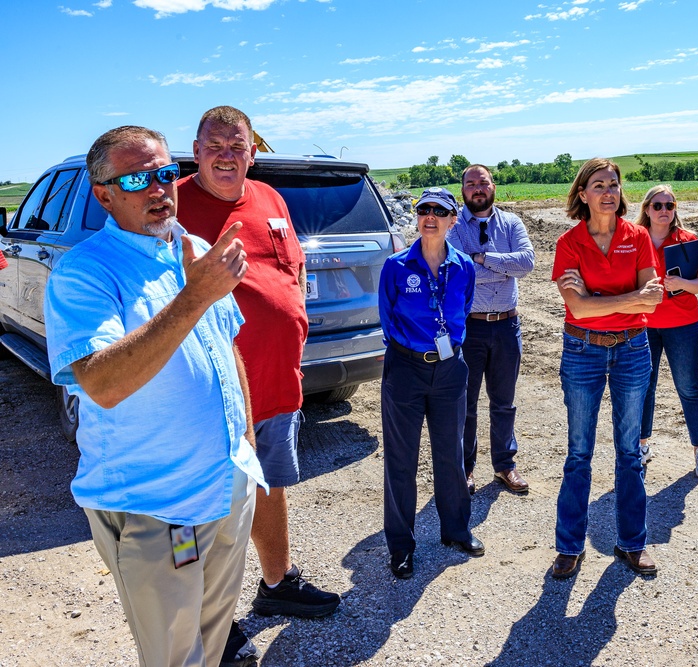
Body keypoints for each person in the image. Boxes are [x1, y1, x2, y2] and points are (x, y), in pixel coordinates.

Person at [43, 125, 267, 667]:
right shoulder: (85, 272)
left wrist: (247, 442)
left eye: (166, 173)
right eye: (138, 178)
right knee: (172, 654)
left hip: (227, 484)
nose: (159, 188)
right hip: (159, 503)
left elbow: (226, 345)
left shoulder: (190, 249)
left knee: (213, 639)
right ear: (104, 195)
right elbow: (103, 382)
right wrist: (195, 295)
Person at [176, 106, 341, 664]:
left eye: (238, 145)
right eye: (215, 144)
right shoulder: (170, 206)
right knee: (205, 510)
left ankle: (276, 585)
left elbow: (289, 270)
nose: (227, 154)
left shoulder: (270, 198)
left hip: (274, 383)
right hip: (211, 395)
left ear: (253, 150)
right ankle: (209, 626)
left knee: (269, 484)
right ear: (195, 150)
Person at [550, 158, 664, 579]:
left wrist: (602, 301)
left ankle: (632, 543)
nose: (608, 192)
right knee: (579, 452)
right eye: (599, 185)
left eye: (613, 184)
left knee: (629, 452)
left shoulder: (637, 236)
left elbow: (652, 301)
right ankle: (569, 546)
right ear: (583, 194)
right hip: (582, 351)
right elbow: (575, 307)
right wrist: (628, 299)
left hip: (633, 349)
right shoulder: (570, 242)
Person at [378, 187, 483, 579]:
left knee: (451, 453)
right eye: (424, 210)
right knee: (401, 461)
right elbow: (387, 320)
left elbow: (464, 307)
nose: (430, 216)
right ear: (417, 217)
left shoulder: (464, 268)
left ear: (454, 220)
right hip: (405, 368)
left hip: (450, 370)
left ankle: (455, 530)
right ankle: (401, 546)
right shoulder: (395, 266)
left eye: (440, 211)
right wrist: (410, 354)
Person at [447, 164, 535, 496]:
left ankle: (504, 466)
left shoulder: (512, 223)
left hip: (507, 325)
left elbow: (526, 263)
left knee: (504, 402)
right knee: (465, 403)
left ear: (493, 186)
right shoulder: (453, 226)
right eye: (471, 184)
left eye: (482, 183)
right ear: (463, 191)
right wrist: (501, 266)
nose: (477, 189)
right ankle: (465, 469)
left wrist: (482, 259)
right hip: (470, 327)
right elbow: (458, 271)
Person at [635, 184, 698, 477]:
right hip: (644, 326)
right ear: (647, 209)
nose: (664, 211)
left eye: (669, 205)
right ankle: (642, 445)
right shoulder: (635, 239)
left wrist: (681, 285)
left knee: (689, 389)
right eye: (658, 205)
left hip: (683, 326)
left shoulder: (687, 241)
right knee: (644, 389)